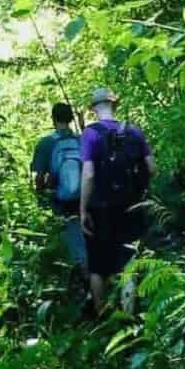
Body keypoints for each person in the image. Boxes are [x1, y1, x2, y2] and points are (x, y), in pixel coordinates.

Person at [80, 88, 156, 314]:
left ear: (94, 109)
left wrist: (83, 209)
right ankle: (129, 316)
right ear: (115, 105)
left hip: (99, 208)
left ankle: (103, 319)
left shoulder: (90, 134)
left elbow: (89, 174)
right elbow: (152, 168)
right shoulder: (134, 131)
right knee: (129, 262)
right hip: (131, 206)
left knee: (98, 265)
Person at [31, 102, 88, 279]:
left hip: (59, 197)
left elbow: (39, 176)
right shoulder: (80, 140)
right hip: (83, 196)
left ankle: (78, 269)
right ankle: (90, 266)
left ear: (53, 119)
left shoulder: (46, 143)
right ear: (71, 119)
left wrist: (40, 194)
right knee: (83, 229)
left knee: (67, 231)